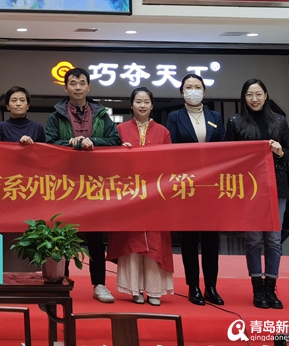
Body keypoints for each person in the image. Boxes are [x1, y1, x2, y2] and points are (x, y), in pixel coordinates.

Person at [44, 66, 120, 304]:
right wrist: (71, 143)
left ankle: (99, 285)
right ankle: (60, 282)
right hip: (65, 183)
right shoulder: (55, 116)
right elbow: (49, 144)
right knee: (63, 235)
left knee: (95, 237)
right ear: (66, 87)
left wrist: (92, 141)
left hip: (94, 183)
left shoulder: (102, 114)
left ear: (88, 86)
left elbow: (115, 140)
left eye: (82, 83)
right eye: (73, 83)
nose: (77, 87)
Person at [226, 78, 289, 310]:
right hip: (250, 189)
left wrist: (280, 152)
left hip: (277, 187)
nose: (254, 99)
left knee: (273, 240)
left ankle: (270, 288)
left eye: (258, 94)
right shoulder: (235, 122)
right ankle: (257, 287)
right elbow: (227, 156)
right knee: (254, 240)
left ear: (266, 95)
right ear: (243, 97)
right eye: (249, 95)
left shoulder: (279, 121)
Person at [107, 87, 174, 306]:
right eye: (138, 101)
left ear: (152, 105)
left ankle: (154, 290)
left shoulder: (163, 131)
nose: (142, 105)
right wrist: (119, 151)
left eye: (146, 101)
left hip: (155, 195)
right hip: (129, 195)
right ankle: (134, 289)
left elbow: (170, 162)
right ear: (131, 105)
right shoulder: (119, 129)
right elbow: (110, 162)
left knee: (155, 240)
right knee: (131, 242)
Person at [166, 73, 226, 307]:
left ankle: (211, 286)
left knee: (211, 239)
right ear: (182, 92)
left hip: (211, 185)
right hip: (187, 185)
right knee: (190, 239)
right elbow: (172, 148)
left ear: (204, 91)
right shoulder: (174, 117)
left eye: (197, 87)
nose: (193, 91)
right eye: (188, 87)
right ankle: (193, 286)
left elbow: (223, 148)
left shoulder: (215, 117)